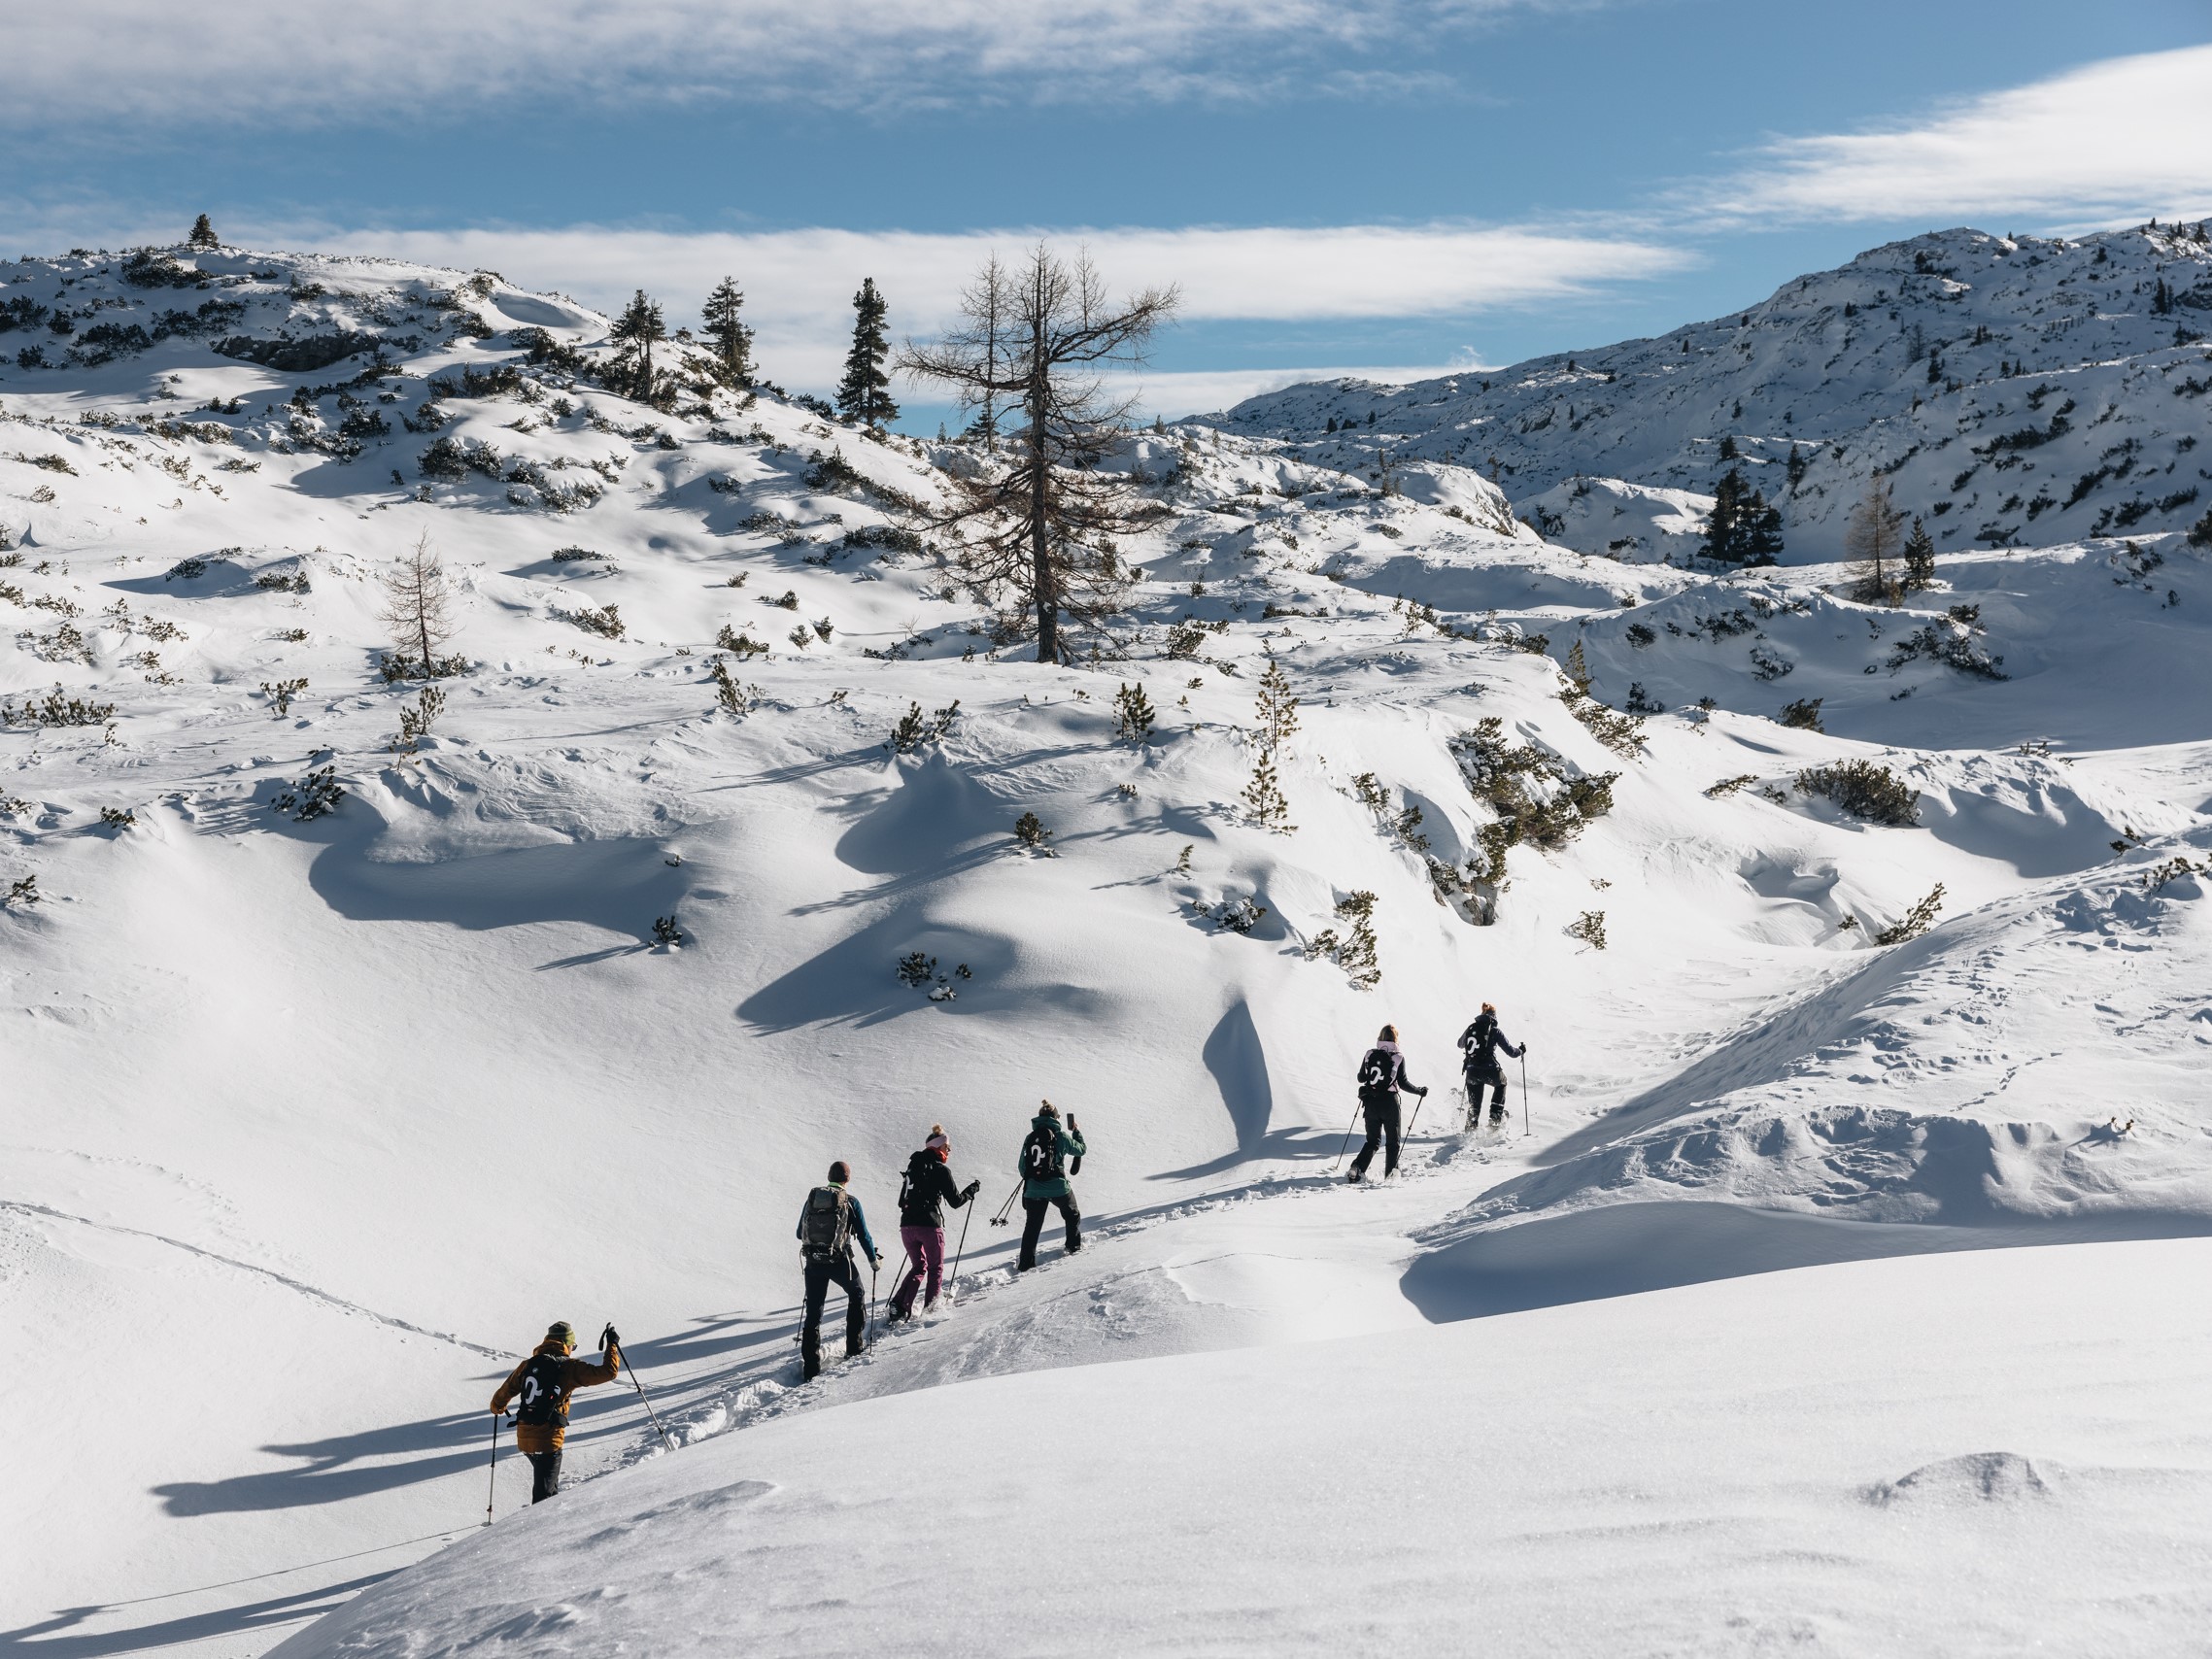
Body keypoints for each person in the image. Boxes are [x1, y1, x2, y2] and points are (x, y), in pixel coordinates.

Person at [489, 1320, 622, 1504]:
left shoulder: (528, 1365)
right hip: (549, 1441)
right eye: (572, 1346)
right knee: (543, 1500)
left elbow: (500, 1397)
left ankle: (553, 1520)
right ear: (566, 1344)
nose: (572, 1350)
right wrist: (612, 1346)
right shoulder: (569, 1367)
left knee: (549, 1489)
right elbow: (608, 1372)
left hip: (525, 1439)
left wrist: (498, 1408)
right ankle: (538, 1528)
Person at [797, 1161, 880, 1381]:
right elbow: (863, 1235)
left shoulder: (812, 1199)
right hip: (840, 1261)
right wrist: (873, 1260)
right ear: (847, 1179)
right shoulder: (851, 1201)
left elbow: (799, 1233)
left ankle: (811, 1368)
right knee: (857, 1293)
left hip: (814, 1261)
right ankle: (854, 1346)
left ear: (828, 1176)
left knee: (814, 1312)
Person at [889, 1125, 980, 1321]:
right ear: (939, 1147)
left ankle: (899, 1305)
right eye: (947, 1147)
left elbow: (900, 1201)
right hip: (929, 1225)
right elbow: (955, 1201)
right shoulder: (941, 1170)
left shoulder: (912, 1168)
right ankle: (931, 1309)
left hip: (906, 1226)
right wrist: (971, 1191)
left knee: (918, 1266)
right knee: (935, 1267)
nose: (950, 1151)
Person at [1348, 1024, 1424, 1182]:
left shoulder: (1369, 1054)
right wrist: (1419, 1091)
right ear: (1396, 1039)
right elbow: (1402, 1083)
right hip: (1390, 1103)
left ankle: (1357, 1168)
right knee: (1392, 1142)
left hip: (1371, 1102)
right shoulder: (1398, 1057)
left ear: (1380, 1037)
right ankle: (1390, 1176)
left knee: (1372, 1141)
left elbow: (1361, 1078)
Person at [1016, 1100, 1085, 1270]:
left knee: (1032, 1227)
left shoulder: (1030, 1138)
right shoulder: (1061, 1136)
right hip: (1058, 1188)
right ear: (1056, 1118)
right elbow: (1081, 1150)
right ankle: (1073, 1247)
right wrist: (1076, 1132)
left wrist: (1035, 1179)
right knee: (1072, 1214)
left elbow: (1022, 1167)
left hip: (1033, 1190)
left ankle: (1025, 1264)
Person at [1457, 1002, 1526, 1130]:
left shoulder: (1471, 1028)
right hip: (1490, 1069)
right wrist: (1521, 1051)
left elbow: (1460, 1044)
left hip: (1472, 1071)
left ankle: (1471, 1127)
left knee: (1474, 1103)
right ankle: (1495, 1118)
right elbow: (1511, 1052)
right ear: (1494, 1016)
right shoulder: (1495, 1031)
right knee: (1502, 1083)